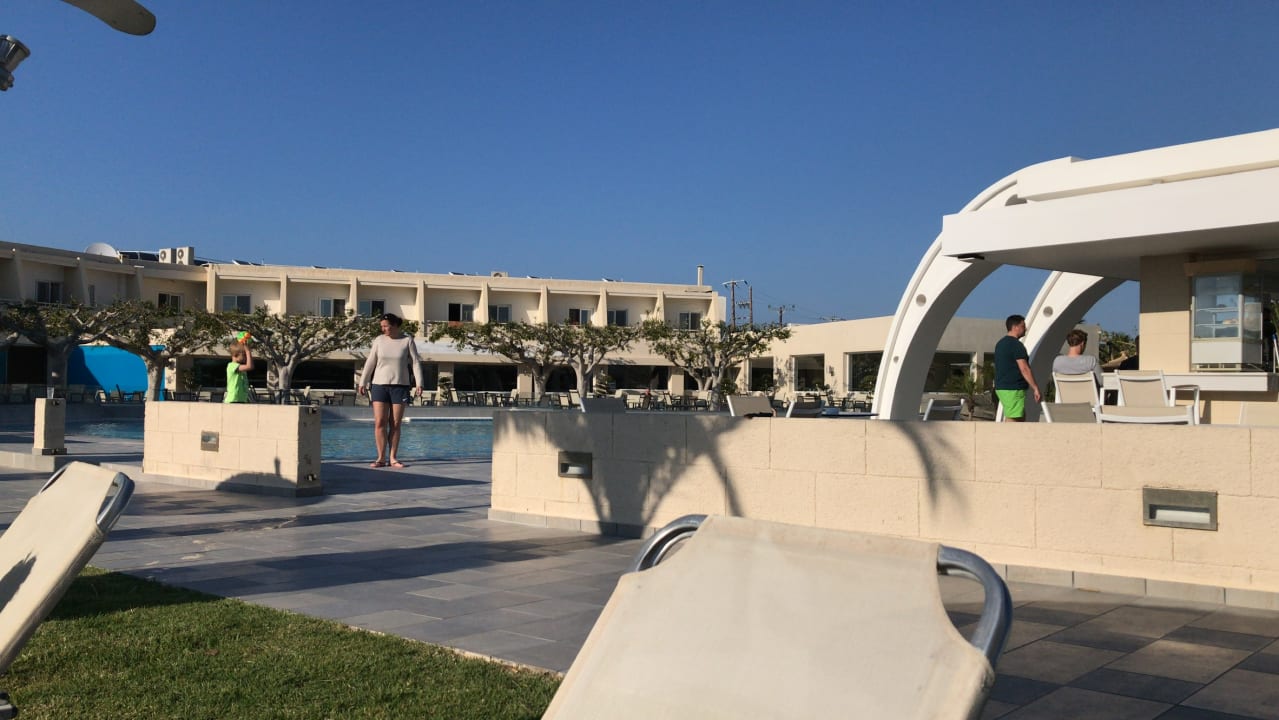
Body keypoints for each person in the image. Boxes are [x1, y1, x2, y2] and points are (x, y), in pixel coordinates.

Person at [358, 313, 424, 468]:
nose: (383, 329)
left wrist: (419, 383)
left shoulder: (407, 340)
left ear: (394, 325)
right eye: (381, 326)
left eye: (385, 326)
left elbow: (415, 362)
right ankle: (380, 458)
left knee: (395, 423)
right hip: (379, 385)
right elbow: (370, 361)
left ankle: (393, 457)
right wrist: (363, 381)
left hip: (400, 386)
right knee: (380, 422)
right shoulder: (379, 340)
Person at [994, 314, 1041, 422]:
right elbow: (1024, 368)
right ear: (1015, 327)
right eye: (1023, 326)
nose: (1026, 329)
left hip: (1003, 387)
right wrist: (1035, 387)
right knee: (1014, 419)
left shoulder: (1000, 344)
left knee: (1019, 416)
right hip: (1013, 388)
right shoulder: (1016, 345)